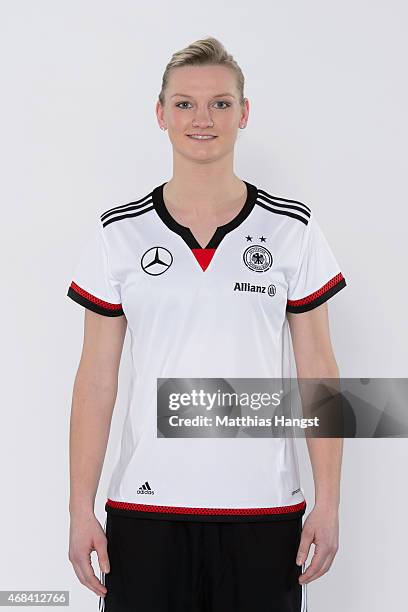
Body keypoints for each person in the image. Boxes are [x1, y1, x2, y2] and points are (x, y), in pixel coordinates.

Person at [67, 36, 346, 612]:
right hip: (144, 512)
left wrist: (329, 501)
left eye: (220, 103)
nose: (203, 118)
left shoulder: (292, 230)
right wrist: (79, 510)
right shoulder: (118, 234)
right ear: (161, 113)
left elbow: (317, 368)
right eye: (186, 103)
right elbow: (97, 380)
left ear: (243, 114)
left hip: (266, 513)